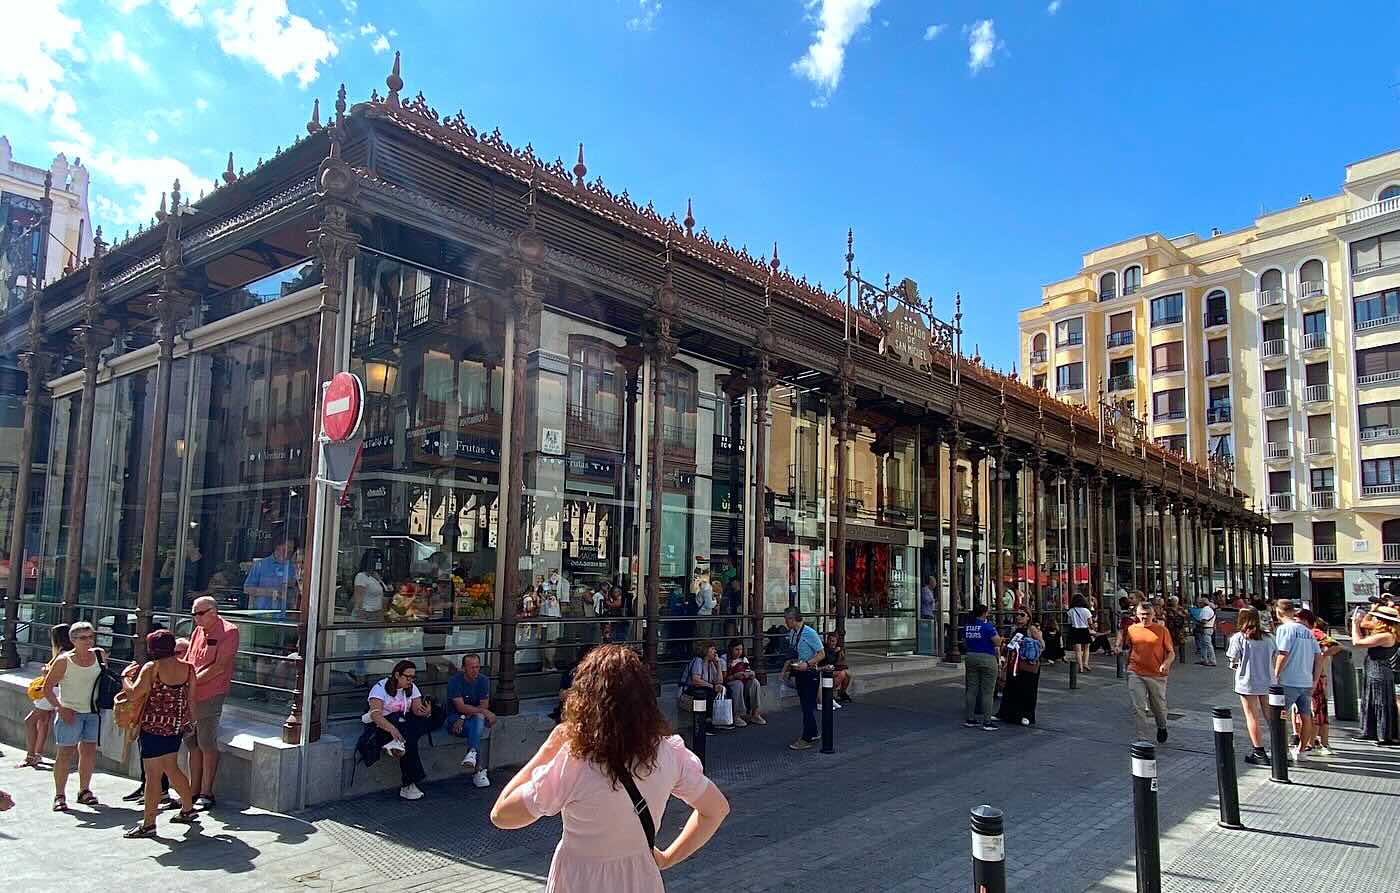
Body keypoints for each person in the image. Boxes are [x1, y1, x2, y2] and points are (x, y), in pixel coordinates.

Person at [490, 646, 729, 890]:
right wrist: (668, 858)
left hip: (580, 881)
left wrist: (549, 748)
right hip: (641, 880)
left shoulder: (575, 762)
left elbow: (502, 815)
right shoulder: (669, 753)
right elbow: (716, 809)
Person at [122, 630, 200, 837]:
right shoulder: (189, 668)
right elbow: (192, 700)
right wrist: (192, 722)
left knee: (153, 777)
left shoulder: (152, 667)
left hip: (152, 728)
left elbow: (133, 693)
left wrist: (125, 677)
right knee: (172, 768)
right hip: (175, 728)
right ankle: (188, 809)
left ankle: (148, 824)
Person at [41, 620, 106, 812]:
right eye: (83, 638)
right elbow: (47, 689)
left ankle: (84, 790)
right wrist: (61, 708)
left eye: (90, 636)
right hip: (70, 711)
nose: (88, 641)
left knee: (88, 751)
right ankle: (59, 794)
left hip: (92, 712)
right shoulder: (63, 661)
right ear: (73, 640)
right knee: (65, 753)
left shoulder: (99, 655)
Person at [185, 595, 239, 810]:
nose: (196, 618)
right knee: (191, 743)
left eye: (199, 613)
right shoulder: (198, 630)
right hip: (191, 693)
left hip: (210, 693)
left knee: (206, 742)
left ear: (213, 612)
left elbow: (219, 666)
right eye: (193, 614)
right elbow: (189, 658)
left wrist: (192, 681)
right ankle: (192, 790)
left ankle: (207, 792)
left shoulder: (229, 631)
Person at [368, 660, 437, 799]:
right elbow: (375, 715)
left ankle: (396, 743)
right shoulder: (380, 687)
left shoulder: (411, 688)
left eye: (413, 677)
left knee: (434, 716)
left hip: (405, 722)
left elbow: (417, 711)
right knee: (409, 740)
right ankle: (408, 784)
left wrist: (426, 711)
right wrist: (392, 729)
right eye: (408, 677)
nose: (410, 680)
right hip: (385, 724)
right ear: (397, 675)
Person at [1271, 599, 1322, 762]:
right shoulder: (1307, 631)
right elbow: (1319, 657)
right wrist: (1314, 679)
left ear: (1278, 612)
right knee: (1306, 715)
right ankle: (1301, 751)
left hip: (1288, 680)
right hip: (1306, 681)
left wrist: (1275, 675)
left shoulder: (1285, 629)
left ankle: (1283, 750)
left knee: (1280, 715)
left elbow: (1282, 653)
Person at [1226, 607, 1276, 766]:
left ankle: (1259, 751)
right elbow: (1275, 654)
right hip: (1267, 680)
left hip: (1247, 681)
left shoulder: (1239, 638)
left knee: (1252, 716)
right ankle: (1279, 746)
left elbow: (1233, 658)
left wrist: (1234, 665)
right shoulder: (1269, 637)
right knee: (1271, 715)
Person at [17, 622, 71, 769]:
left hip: (53, 691)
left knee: (30, 721)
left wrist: (46, 672)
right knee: (43, 721)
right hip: (58, 691)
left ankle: (30, 755)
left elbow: (56, 675)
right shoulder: (69, 652)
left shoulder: (62, 653)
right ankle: (37, 754)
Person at [1123, 602, 1174, 744]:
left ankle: (1162, 726)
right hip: (1135, 671)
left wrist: (1166, 663)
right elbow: (1129, 648)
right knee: (1138, 706)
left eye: (1148, 614)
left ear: (1153, 615)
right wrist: (1126, 666)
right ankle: (1142, 737)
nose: (1145, 617)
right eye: (1142, 614)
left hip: (1156, 674)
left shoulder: (1162, 630)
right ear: (1137, 615)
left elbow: (1171, 652)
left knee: (1158, 706)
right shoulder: (1132, 629)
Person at [1350, 604, 1400, 746]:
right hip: (1374, 669)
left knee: (1380, 702)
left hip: (1379, 671)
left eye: (1377, 618)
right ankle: (1370, 731)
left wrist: (1354, 624)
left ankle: (1385, 735)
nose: (1375, 620)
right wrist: (1373, 609)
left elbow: (1357, 642)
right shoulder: (1386, 632)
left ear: (1382, 621)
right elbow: (1366, 623)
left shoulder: (1386, 635)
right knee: (1370, 699)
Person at [444, 654, 495, 787]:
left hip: (469, 718)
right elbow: (460, 706)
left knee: (478, 720)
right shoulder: (455, 681)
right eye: (471, 667)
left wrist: (465, 716)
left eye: (477, 667)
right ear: (463, 668)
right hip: (454, 719)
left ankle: (472, 753)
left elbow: (483, 704)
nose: (475, 670)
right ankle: (478, 770)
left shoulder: (484, 680)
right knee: (478, 721)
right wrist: (481, 712)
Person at [782, 607, 825, 750]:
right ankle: (812, 732)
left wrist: (807, 664)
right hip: (799, 670)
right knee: (806, 705)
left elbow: (821, 654)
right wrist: (786, 669)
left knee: (807, 706)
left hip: (809, 672)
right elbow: (792, 651)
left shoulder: (810, 633)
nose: (785, 622)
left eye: (786, 619)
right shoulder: (793, 633)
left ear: (792, 619)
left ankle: (807, 738)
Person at [1300, 611, 1341, 755]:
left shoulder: (1313, 633)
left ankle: (1316, 743)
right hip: (1313, 677)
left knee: (1316, 711)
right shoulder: (1306, 633)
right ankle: (1320, 743)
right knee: (1316, 710)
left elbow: (1336, 646)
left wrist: (1321, 656)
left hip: (1314, 678)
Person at [995, 609, 1043, 727]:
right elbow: (1010, 648)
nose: (1019, 617)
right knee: (1011, 688)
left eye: (1022, 615)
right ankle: (1006, 713)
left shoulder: (1031, 629)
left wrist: (1028, 647)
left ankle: (1026, 715)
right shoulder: (1014, 629)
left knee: (1027, 690)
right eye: (1017, 615)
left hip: (1027, 665)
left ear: (1028, 617)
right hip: (1014, 664)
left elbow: (1042, 645)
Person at [350, 549, 388, 683]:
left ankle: (362, 671)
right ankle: (360, 676)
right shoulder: (361, 577)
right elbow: (358, 599)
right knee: (364, 647)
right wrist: (363, 615)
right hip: (366, 615)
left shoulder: (376, 577)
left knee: (378, 646)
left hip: (377, 617)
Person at [962, 604, 1002, 731]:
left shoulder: (968, 626)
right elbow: (996, 642)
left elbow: (964, 642)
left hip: (970, 656)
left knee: (971, 689)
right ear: (984, 613)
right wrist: (1001, 639)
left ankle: (970, 718)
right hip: (987, 658)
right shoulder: (988, 626)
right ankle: (987, 721)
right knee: (987, 692)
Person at [243, 534, 299, 616]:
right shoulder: (261, 565)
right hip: (260, 617)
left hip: (285, 618)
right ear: (277, 546)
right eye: (286, 548)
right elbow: (247, 589)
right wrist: (271, 592)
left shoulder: (293, 567)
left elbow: (297, 592)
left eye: (291, 549)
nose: (288, 552)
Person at [685, 640, 728, 729]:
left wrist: (718, 664)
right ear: (706, 650)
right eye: (712, 649)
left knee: (725, 690)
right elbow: (696, 680)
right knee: (705, 694)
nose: (715, 651)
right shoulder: (698, 661)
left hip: (704, 688)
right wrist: (712, 686)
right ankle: (703, 724)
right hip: (690, 690)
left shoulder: (711, 663)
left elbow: (719, 681)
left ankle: (717, 720)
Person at [722, 640, 765, 725]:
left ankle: (755, 713)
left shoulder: (743, 659)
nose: (739, 652)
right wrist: (735, 676)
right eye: (736, 650)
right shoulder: (723, 659)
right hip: (731, 682)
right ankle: (737, 715)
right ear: (731, 649)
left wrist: (751, 674)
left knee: (755, 682)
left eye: (741, 649)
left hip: (743, 680)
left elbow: (748, 670)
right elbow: (724, 679)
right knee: (738, 684)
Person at [822, 630, 852, 703]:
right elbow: (827, 660)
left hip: (834, 668)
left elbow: (840, 662)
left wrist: (839, 653)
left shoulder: (839, 649)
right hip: (824, 669)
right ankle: (829, 693)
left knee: (848, 674)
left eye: (833, 641)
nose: (830, 643)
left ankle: (842, 693)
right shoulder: (824, 648)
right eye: (829, 640)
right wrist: (833, 652)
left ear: (836, 642)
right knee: (842, 674)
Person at [1067, 594, 1094, 672]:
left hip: (1075, 630)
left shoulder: (1071, 611)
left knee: (1078, 650)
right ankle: (1085, 663)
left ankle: (1080, 667)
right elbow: (1090, 622)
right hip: (1084, 630)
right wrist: (1092, 628)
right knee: (1086, 648)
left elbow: (1069, 622)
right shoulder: (1086, 611)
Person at [1194, 596, 1217, 666]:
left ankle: (1212, 660)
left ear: (1203, 603)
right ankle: (1204, 659)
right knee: (1204, 645)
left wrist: (1197, 622)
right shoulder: (1208, 609)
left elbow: (1204, 621)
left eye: (1199, 603)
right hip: (1208, 628)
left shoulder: (1205, 610)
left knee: (1208, 644)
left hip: (1206, 628)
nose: (1198, 604)